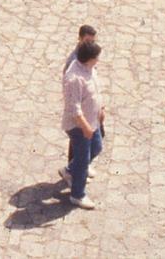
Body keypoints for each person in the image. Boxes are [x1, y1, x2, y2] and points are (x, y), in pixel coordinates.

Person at [62, 39, 104, 210]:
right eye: (96, 57)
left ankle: (70, 170)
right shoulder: (74, 78)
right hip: (79, 126)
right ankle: (77, 194)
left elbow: (96, 90)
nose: (98, 60)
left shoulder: (90, 69)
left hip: (92, 121)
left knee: (97, 148)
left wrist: (101, 109)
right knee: (83, 158)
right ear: (88, 59)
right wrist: (85, 127)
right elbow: (74, 108)